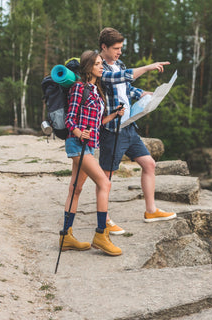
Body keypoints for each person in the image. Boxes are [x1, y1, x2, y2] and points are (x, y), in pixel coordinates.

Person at [98, 27, 176, 234]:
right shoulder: (98, 67)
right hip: (112, 129)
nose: (119, 52)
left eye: (121, 48)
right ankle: (103, 219)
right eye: (116, 48)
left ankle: (151, 211)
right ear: (103, 47)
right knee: (106, 177)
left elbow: (126, 88)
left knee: (149, 164)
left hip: (129, 125)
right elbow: (120, 78)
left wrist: (143, 94)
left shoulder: (119, 63)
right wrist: (148, 67)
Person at [59, 50, 125, 256]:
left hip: (89, 145)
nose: (101, 67)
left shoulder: (96, 91)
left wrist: (114, 114)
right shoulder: (79, 88)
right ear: (88, 67)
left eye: (101, 64)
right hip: (77, 144)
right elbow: (69, 119)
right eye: (97, 64)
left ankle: (66, 236)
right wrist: (80, 133)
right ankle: (100, 235)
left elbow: (97, 124)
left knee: (76, 189)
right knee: (104, 183)